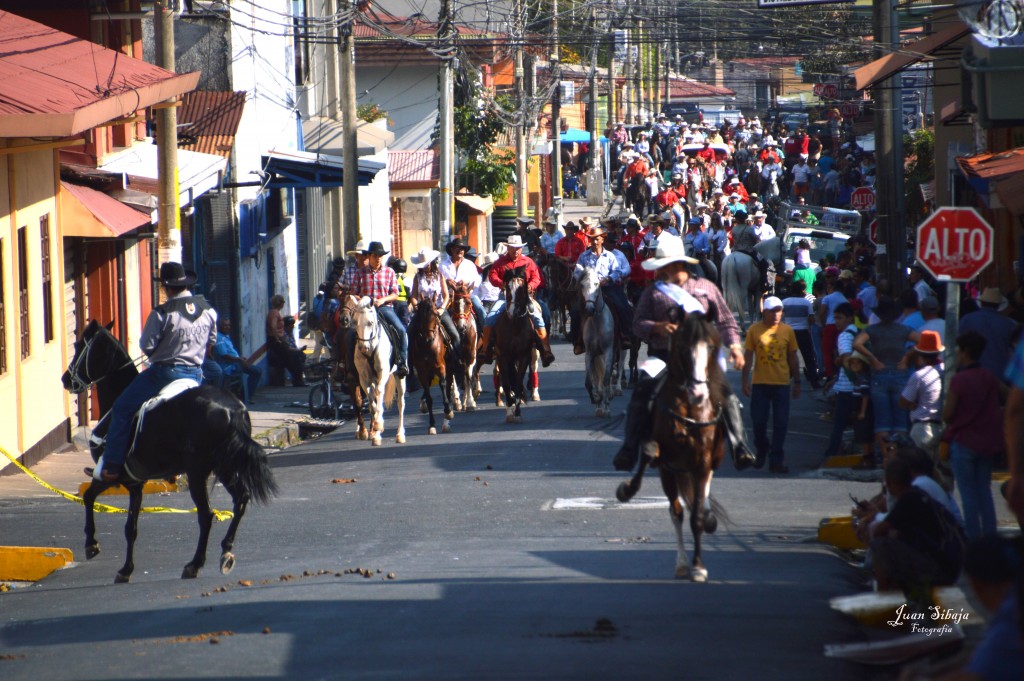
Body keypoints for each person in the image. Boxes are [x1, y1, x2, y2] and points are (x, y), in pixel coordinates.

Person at [613, 239, 755, 473]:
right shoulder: (653, 292)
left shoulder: (706, 288)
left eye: (663, 265)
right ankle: (629, 449)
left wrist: (735, 347)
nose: (660, 270)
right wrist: (656, 327)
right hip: (662, 355)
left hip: (701, 356)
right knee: (642, 390)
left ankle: (739, 446)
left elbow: (725, 320)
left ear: (677, 264)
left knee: (727, 395)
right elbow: (637, 324)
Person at [95, 262, 217, 481]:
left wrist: (165, 349)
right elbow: (212, 341)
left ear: (166, 288)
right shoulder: (207, 310)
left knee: (122, 408)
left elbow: (147, 346)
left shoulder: (162, 313)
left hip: (165, 373)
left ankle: (112, 465)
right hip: (196, 374)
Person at [868, 456, 965, 595]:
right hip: (949, 565)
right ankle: (900, 592)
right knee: (893, 541)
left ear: (890, 483)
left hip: (939, 569)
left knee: (880, 545)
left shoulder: (909, 499)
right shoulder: (917, 494)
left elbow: (879, 530)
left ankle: (883, 597)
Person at [943, 331, 1007, 540]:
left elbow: (948, 414)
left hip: (964, 441)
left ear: (965, 351)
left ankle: (974, 542)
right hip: (987, 442)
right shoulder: (988, 377)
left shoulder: (959, 380)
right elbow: (1008, 394)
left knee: (968, 495)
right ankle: (990, 539)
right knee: (985, 493)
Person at [742, 296, 801, 474]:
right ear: (764, 312)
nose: (776, 315)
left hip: (781, 383)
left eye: (779, 311)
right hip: (760, 383)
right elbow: (748, 356)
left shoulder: (787, 331)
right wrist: (744, 380)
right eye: (772, 311)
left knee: (780, 423)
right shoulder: (754, 330)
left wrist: (797, 381)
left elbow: (793, 357)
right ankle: (762, 447)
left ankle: (776, 460)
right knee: (758, 422)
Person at [853, 295, 918, 455]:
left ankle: (886, 457)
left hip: (879, 374)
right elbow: (923, 340)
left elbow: (857, 343)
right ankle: (898, 455)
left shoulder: (873, 330)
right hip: (900, 374)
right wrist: (907, 357)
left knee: (882, 421)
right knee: (900, 420)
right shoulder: (903, 329)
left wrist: (872, 358)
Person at [479, 234, 555, 367]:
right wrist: (502, 284)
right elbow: (492, 275)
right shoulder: (500, 262)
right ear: (508, 248)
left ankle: (545, 350)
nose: (515, 251)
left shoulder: (528, 262)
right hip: (505, 297)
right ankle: (486, 350)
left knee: (541, 317)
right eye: (513, 248)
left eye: (518, 248)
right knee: (490, 318)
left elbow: (536, 277)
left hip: (525, 297)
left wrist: (530, 286)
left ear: (521, 249)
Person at [349, 241, 408, 378]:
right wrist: (364, 300)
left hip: (384, 308)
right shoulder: (360, 273)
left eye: (380, 256)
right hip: (365, 310)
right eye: (375, 256)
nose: (378, 259)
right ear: (369, 256)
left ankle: (402, 362)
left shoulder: (389, 272)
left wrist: (382, 300)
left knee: (401, 330)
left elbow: (395, 294)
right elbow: (353, 293)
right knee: (350, 334)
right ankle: (349, 366)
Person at [571, 224, 634, 355]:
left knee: (623, 307)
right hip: (589, 290)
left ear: (602, 240)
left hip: (608, 288)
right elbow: (577, 271)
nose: (594, 242)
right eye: (592, 239)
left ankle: (624, 335)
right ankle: (577, 340)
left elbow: (617, 271)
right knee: (575, 310)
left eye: (596, 239)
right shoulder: (584, 256)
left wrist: (608, 279)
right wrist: (585, 279)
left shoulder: (610, 256)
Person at [899, 330, 945, 468]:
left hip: (923, 429)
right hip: (944, 428)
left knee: (922, 470)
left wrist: (911, 404)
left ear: (920, 354)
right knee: (941, 472)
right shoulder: (948, 371)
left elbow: (903, 401)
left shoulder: (919, 375)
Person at [959, 287, 1018, 379]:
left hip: (970, 374)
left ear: (981, 303)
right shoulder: (1009, 324)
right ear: (998, 305)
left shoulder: (966, 320)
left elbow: (957, 344)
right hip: (999, 375)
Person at [409, 247, 461, 351]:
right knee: (409, 332)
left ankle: (457, 357)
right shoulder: (417, 277)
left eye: (428, 263)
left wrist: (442, 308)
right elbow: (413, 296)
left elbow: (446, 295)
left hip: (438, 309)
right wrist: (416, 306)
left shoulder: (439, 276)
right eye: (424, 265)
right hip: (422, 311)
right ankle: (408, 359)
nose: (427, 266)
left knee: (455, 335)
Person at [440, 238, 484, 337]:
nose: (460, 251)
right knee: (438, 314)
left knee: (480, 310)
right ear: (452, 249)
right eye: (457, 248)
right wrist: (446, 282)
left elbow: (477, 280)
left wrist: (467, 282)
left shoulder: (469, 264)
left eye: (462, 249)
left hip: (467, 296)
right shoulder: (443, 265)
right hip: (448, 297)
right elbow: (437, 282)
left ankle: (485, 335)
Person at [211, 318, 262, 404]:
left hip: (236, 363)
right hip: (230, 366)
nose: (228, 327)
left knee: (257, 370)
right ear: (219, 326)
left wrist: (240, 358)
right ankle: (245, 396)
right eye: (225, 325)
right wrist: (239, 359)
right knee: (256, 371)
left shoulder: (225, 336)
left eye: (229, 325)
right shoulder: (219, 338)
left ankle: (244, 395)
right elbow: (224, 356)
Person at [781, 280, 821, 390]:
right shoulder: (806, 303)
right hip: (803, 332)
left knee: (787, 357)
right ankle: (814, 382)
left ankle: (784, 380)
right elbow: (811, 319)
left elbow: (781, 317)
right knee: (809, 358)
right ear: (802, 291)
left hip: (789, 333)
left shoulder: (784, 302)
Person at [267, 294, 306, 387]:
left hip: (278, 340)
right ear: (280, 303)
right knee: (294, 356)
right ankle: (298, 381)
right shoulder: (275, 313)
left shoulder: (275, 312)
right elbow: (273, 326)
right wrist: (277, 338)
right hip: (276, 340)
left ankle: (298, 379)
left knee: (294, 356)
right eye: (283, 302)